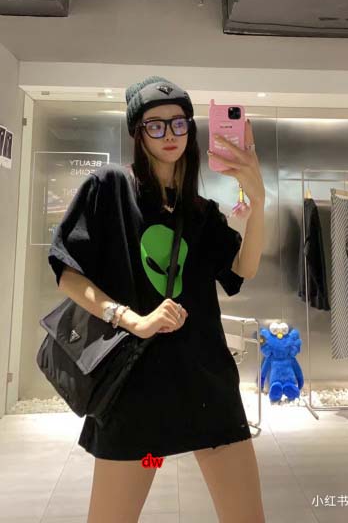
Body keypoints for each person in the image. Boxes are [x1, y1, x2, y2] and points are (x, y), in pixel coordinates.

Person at [47, 76, 266, 523]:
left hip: (206, 384)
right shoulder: (110, 187)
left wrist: (258, 201)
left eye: (179, 123)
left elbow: (243, 269)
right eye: (155, 125)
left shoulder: (201, 212)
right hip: (136, 391)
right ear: (138, 132)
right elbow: (68, 274)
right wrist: (132, 319)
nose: (170, 134)